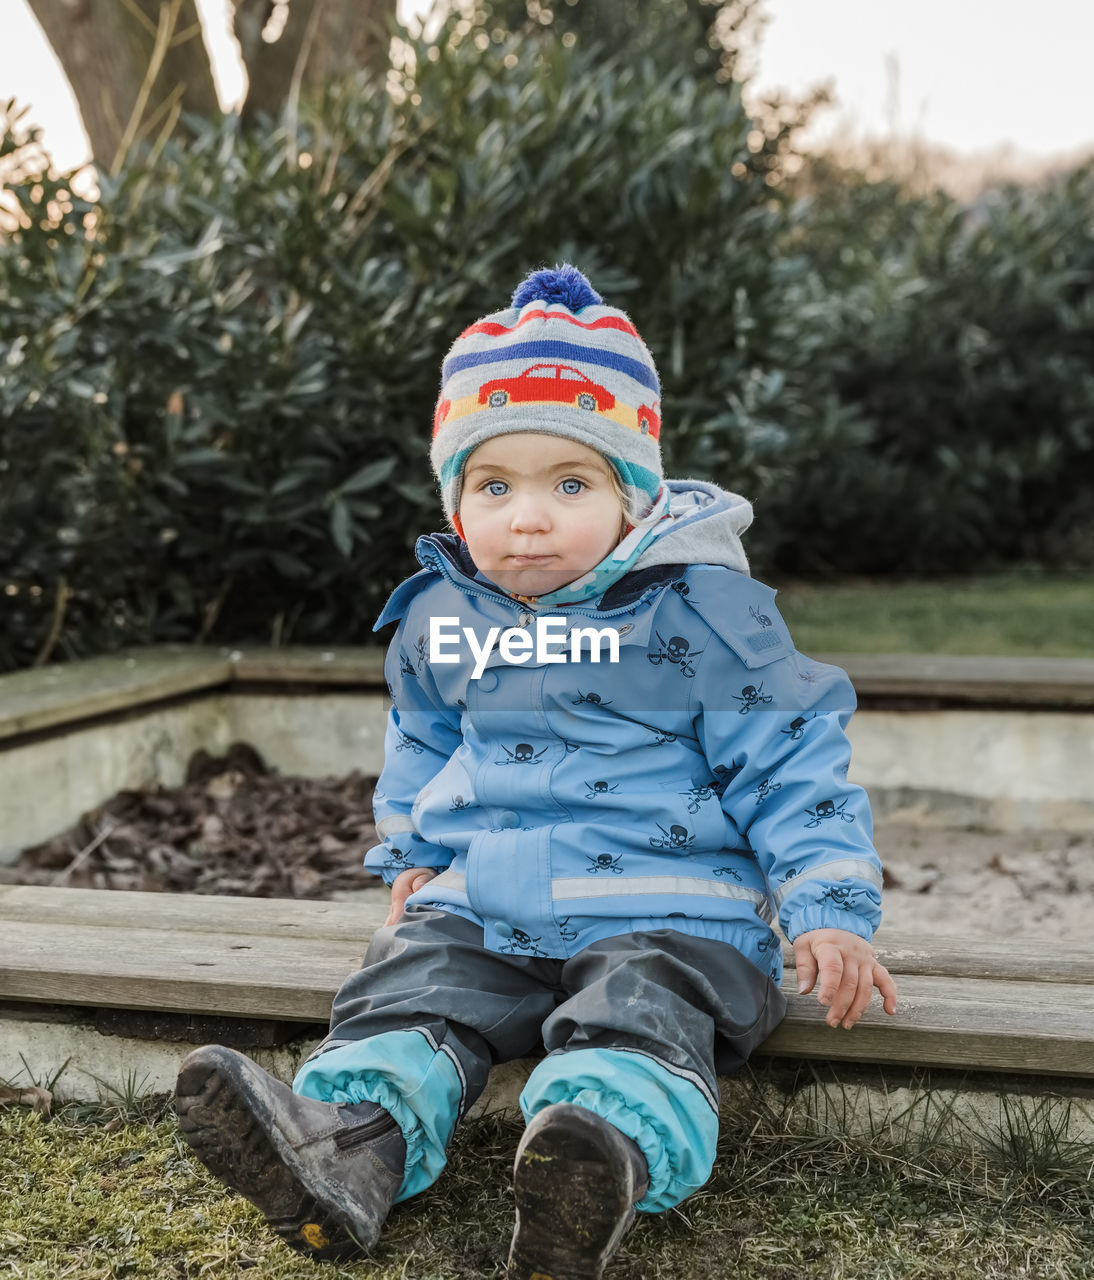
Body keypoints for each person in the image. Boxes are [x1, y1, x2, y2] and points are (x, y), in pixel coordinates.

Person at [175, 265, 899, 1278]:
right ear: (456, 495)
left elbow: (789, 757)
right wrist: (418, 852)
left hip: (670, 905)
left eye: (570, 483)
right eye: (494, 484)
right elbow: (423, 738)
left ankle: (592, 1154)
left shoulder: (698, 613)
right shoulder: (440, 616)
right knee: (411, 989)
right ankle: (343, 1144)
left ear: (632, 493)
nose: (527, 517)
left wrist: (824, 902)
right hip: (489, 906)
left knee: (639, 1006)